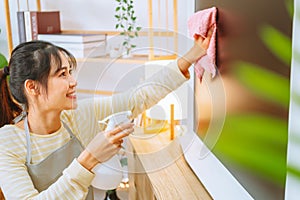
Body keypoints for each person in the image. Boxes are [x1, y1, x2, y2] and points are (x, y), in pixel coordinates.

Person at [0, 27, 213, 199]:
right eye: (62, 74)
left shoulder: (79, 116)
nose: (73, 82)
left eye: (70, 72)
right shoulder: (7, 143)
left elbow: (137, 98)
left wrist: (190, 57)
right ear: (33, 88)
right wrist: (89, 159)